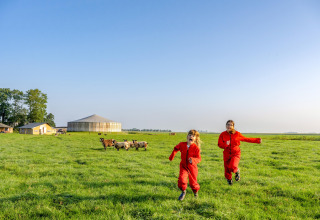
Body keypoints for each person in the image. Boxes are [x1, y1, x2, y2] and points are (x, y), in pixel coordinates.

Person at [218, 120, 261, 185]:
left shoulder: (237, 134)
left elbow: (246, 139)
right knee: (227, 169)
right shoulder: (222, 134)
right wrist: (225, 144)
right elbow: (219, 144)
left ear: (233, 126)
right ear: (226, 126)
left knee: (233, 166)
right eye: (228, 124)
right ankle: (229, 181)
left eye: (231, 125)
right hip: (226, 154)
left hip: (235, 153)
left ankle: (237, 171)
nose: (229, 126)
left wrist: (257, 140)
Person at [169, 129, 201, 201]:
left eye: (193, 136)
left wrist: (193, 160)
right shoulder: (182, 144)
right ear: (187, 137)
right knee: (182, 180)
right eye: (190, 135)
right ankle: (183, 192)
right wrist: (172, 156)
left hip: (192, 168)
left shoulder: (196, 148)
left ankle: (195, 193)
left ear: (195, 138)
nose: (191, 136)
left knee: (193, 183)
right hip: (183, 166)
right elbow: (175, 148)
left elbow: (199, 158)